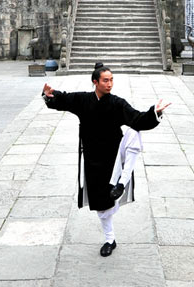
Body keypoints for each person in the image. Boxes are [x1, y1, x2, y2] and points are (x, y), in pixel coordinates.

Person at [42, 63, 171, 257]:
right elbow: (64, 99)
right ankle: (110, 239)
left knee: (134, 136)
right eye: (105, 80)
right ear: (95, 82)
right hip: (93, 158)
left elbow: (137, 119)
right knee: (102, 203)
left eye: (111, 80)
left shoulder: (117, 104)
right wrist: (49, 95)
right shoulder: (83, 100)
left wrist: (155, 112)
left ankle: (122, 182)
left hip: (113, 156)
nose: (109, 84)